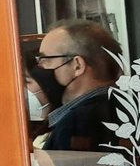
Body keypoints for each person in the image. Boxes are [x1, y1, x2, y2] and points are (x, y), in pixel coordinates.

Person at [29, 19, 121, 151]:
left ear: (77, 65)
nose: (40, 67)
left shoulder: (78, 123)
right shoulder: (122, 109)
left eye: (45, 60)